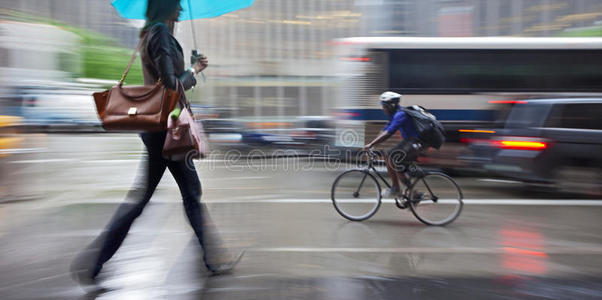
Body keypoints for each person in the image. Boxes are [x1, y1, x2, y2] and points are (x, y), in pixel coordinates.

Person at [71, 0, 241, 287]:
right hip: (167, 131)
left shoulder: (152, 33)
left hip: (158, 130)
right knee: (186, 195)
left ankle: (94, 263)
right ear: (166, 8)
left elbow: (167, 81)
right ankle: (213, 260)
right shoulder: (161, 35)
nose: (180, 11)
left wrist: (189, 67)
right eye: (176, 6)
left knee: (164, 196)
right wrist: (194, 70)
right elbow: (171, 86)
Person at [363, 91, 423, 198]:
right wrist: (373, 144)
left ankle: (396, 188)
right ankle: (414, 194)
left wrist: (372, 144)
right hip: (409, 142)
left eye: (384, 106)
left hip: (414, 142)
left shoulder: (401, 114)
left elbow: (389, 132)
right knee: (397, 165)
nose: (383, 108)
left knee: (390, 156)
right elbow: (384, 130)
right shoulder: (395, 115)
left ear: (392, 105)